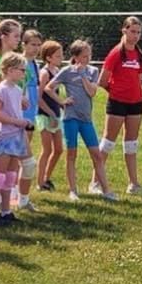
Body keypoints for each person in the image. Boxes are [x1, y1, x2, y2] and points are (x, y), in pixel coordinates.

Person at [48, 40, 115, 201]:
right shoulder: (66, 71)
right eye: (84, 56)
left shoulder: (92, 71)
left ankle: (106, 190)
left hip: (86, 119)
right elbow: (48, 87)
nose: (87, 59)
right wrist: (62, 101)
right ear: (76, 57)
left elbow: (92, 92)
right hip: (71, 118)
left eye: (89, 55)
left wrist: (83, 74)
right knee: (72, 154)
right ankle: (73, 191)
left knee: (96, 154)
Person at [99, 16, 142, 194]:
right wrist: (116, 92)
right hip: (117, 103)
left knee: (131, 144)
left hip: (135, 104)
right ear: (124, 30)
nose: (135, 36)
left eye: (138, 32)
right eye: (132, 31)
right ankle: (96, 181)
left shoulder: (139, 56)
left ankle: (133, 183)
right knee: (108, 143)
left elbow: (138, 80)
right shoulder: (116, 53)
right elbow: (102, 81)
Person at [0, 53, 32, 222]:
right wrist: (16, 121)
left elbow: (14, 107)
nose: (23, 73)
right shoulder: (2, 88)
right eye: (22, 70)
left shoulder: (17, 89)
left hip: (17, 137)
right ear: (11, 70)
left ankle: (6, 211)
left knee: (10, 176)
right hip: (5, 137)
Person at [15, 30, 42, 210]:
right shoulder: (19, 63)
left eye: (38, 45)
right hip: (19, 116)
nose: (36, 48)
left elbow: (37, 91)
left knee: (23, 156)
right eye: (32, 44)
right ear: (23, 45)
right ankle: (15, 196)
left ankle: (20, 196)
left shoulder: (36, 65)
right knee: (20, 158)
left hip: (31, 114)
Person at [34, 39, 66, 192]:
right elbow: (38, 98)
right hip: (44, 114)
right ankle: (39, 182)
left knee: (59, 149)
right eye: (58, 56)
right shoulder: (44, 73)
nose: (61, 58)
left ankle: (47, 177)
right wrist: (50, 112)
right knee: (46, 149)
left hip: (55, 114)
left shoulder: (57, 72)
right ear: (48, 57)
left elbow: (55, 93)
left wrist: (62, 105)